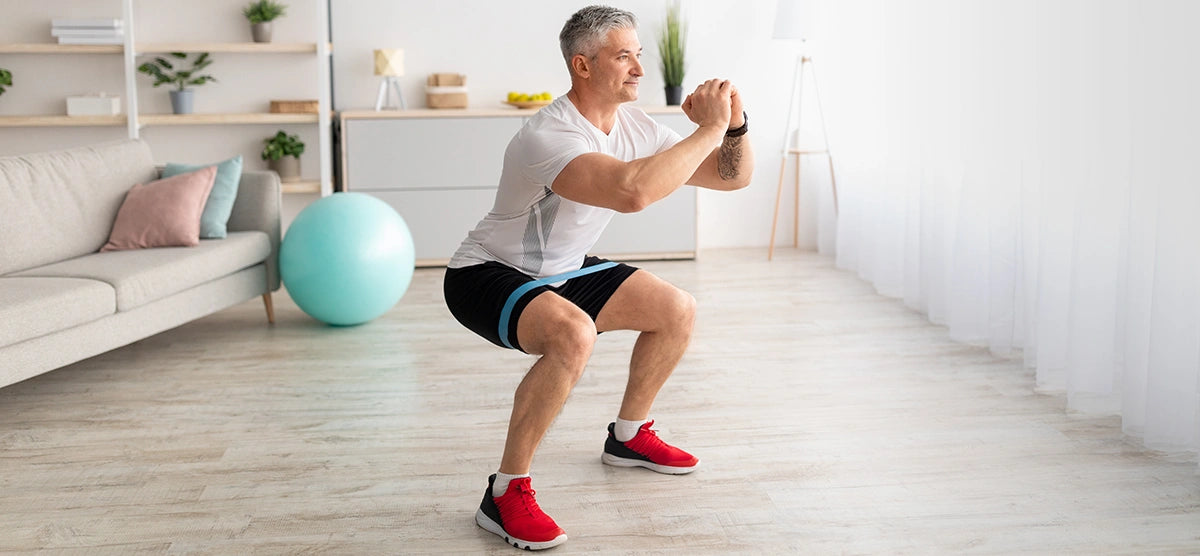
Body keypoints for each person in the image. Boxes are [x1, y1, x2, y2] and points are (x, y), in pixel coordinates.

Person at [442, 4, 754, 550]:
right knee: (572, 334)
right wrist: (706, 127)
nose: (638, 68)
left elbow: (732, 178)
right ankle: (505, 492)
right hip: (487, 271)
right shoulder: (549, 135)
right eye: (623, 56)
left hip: (562, 269)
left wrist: (734, 126)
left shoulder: (633, 125)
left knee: (677, 309)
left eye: (639, 55)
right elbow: (631, 192)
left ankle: (630, 437)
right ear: (582, 65)